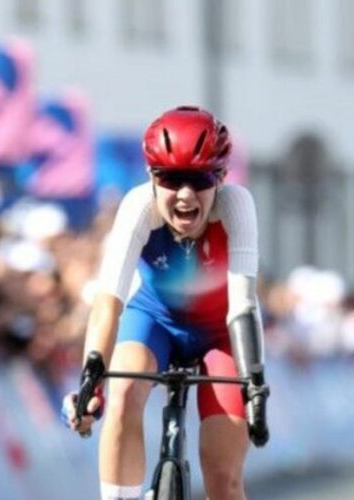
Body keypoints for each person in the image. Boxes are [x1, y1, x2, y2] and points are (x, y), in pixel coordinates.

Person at [63, 106, 269, 500]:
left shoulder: (236, 205)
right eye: (172, 179)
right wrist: (91, 378)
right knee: (123, 395)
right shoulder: (139, 206)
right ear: (151, 178)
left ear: (222, 178)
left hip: (220, 332)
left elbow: (242, 305)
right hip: (154, 319)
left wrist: (255, 384)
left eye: (201, 179)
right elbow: (108, 302)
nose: (186, 195)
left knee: (223, 477)